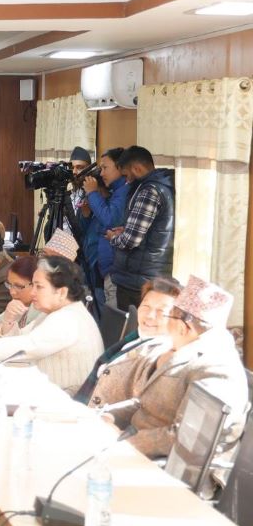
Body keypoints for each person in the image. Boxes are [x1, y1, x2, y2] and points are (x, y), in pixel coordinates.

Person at [87, 276, 248, 469]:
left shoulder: (217, 370)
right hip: (136, 449)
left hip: (173, 469)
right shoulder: (178, 349)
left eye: (167, 314)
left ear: (183, 326)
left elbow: (189, 439)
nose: (154, 318)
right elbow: (144, 402)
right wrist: (109, 416)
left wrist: (122, 441)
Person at [0, 256, 103, 393]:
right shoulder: (54, 312)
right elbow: (21, 338)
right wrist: (9, 320)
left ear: (61, 292)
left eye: (39, 287)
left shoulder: (69, 318)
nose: (32, 293)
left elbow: (30, 345)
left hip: (65, 401)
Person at [74, 277, 182, 403]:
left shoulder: (161, 356)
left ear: (177, 318)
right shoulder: (135, 338)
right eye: (146, 306)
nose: (150, 315)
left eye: (161, 311)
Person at [107, 146, 175, 310]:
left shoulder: (149, 192)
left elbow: (131, 240)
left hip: (139, 278)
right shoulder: (165, 185)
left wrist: (113, 238)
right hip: (152, 272)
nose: (127, 181)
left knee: (133, 323)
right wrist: (126, 229)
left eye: (126, 175)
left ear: (136, 168)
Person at [81, 147, 130, 307]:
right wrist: (87, 214)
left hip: (115, 270)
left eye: (105, 168)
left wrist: (92, 193)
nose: (101, 173)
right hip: (103, 268)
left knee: (112, 316)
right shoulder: (116, 192)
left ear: (120, 167)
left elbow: (110, 220)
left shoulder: (124, 192)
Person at [0, 255, 42, 336]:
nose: (12, 292)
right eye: (9, 284)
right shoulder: (20, 303)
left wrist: (5, 326)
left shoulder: (43, 310)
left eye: (19, 286)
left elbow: (22, 340)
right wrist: (0, 328)